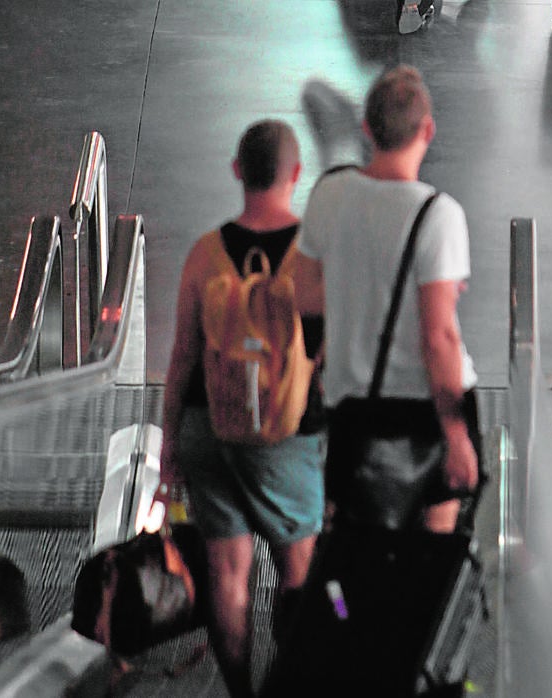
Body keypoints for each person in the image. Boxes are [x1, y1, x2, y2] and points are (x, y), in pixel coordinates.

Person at [157, 120, 325, 696]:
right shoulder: (310, 259)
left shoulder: (206, 255)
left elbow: (182, 357)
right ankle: (296, 680)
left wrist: (169, 442)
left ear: (236, 171)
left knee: (228, 577)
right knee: (299, 569)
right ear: (296, 174)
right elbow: (330, 358)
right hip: (287, 438)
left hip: (211, 427)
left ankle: (241, 693)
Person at [290, 64, 479, 534]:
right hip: (425, 416)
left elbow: (304, 295)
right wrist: (456, 435)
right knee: (426, 565)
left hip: (353, 410)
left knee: (354, 562)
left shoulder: (329, 194)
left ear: (367, 128)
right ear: (427, 130)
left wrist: (359, 286)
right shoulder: (440, 216)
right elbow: (439, 338)